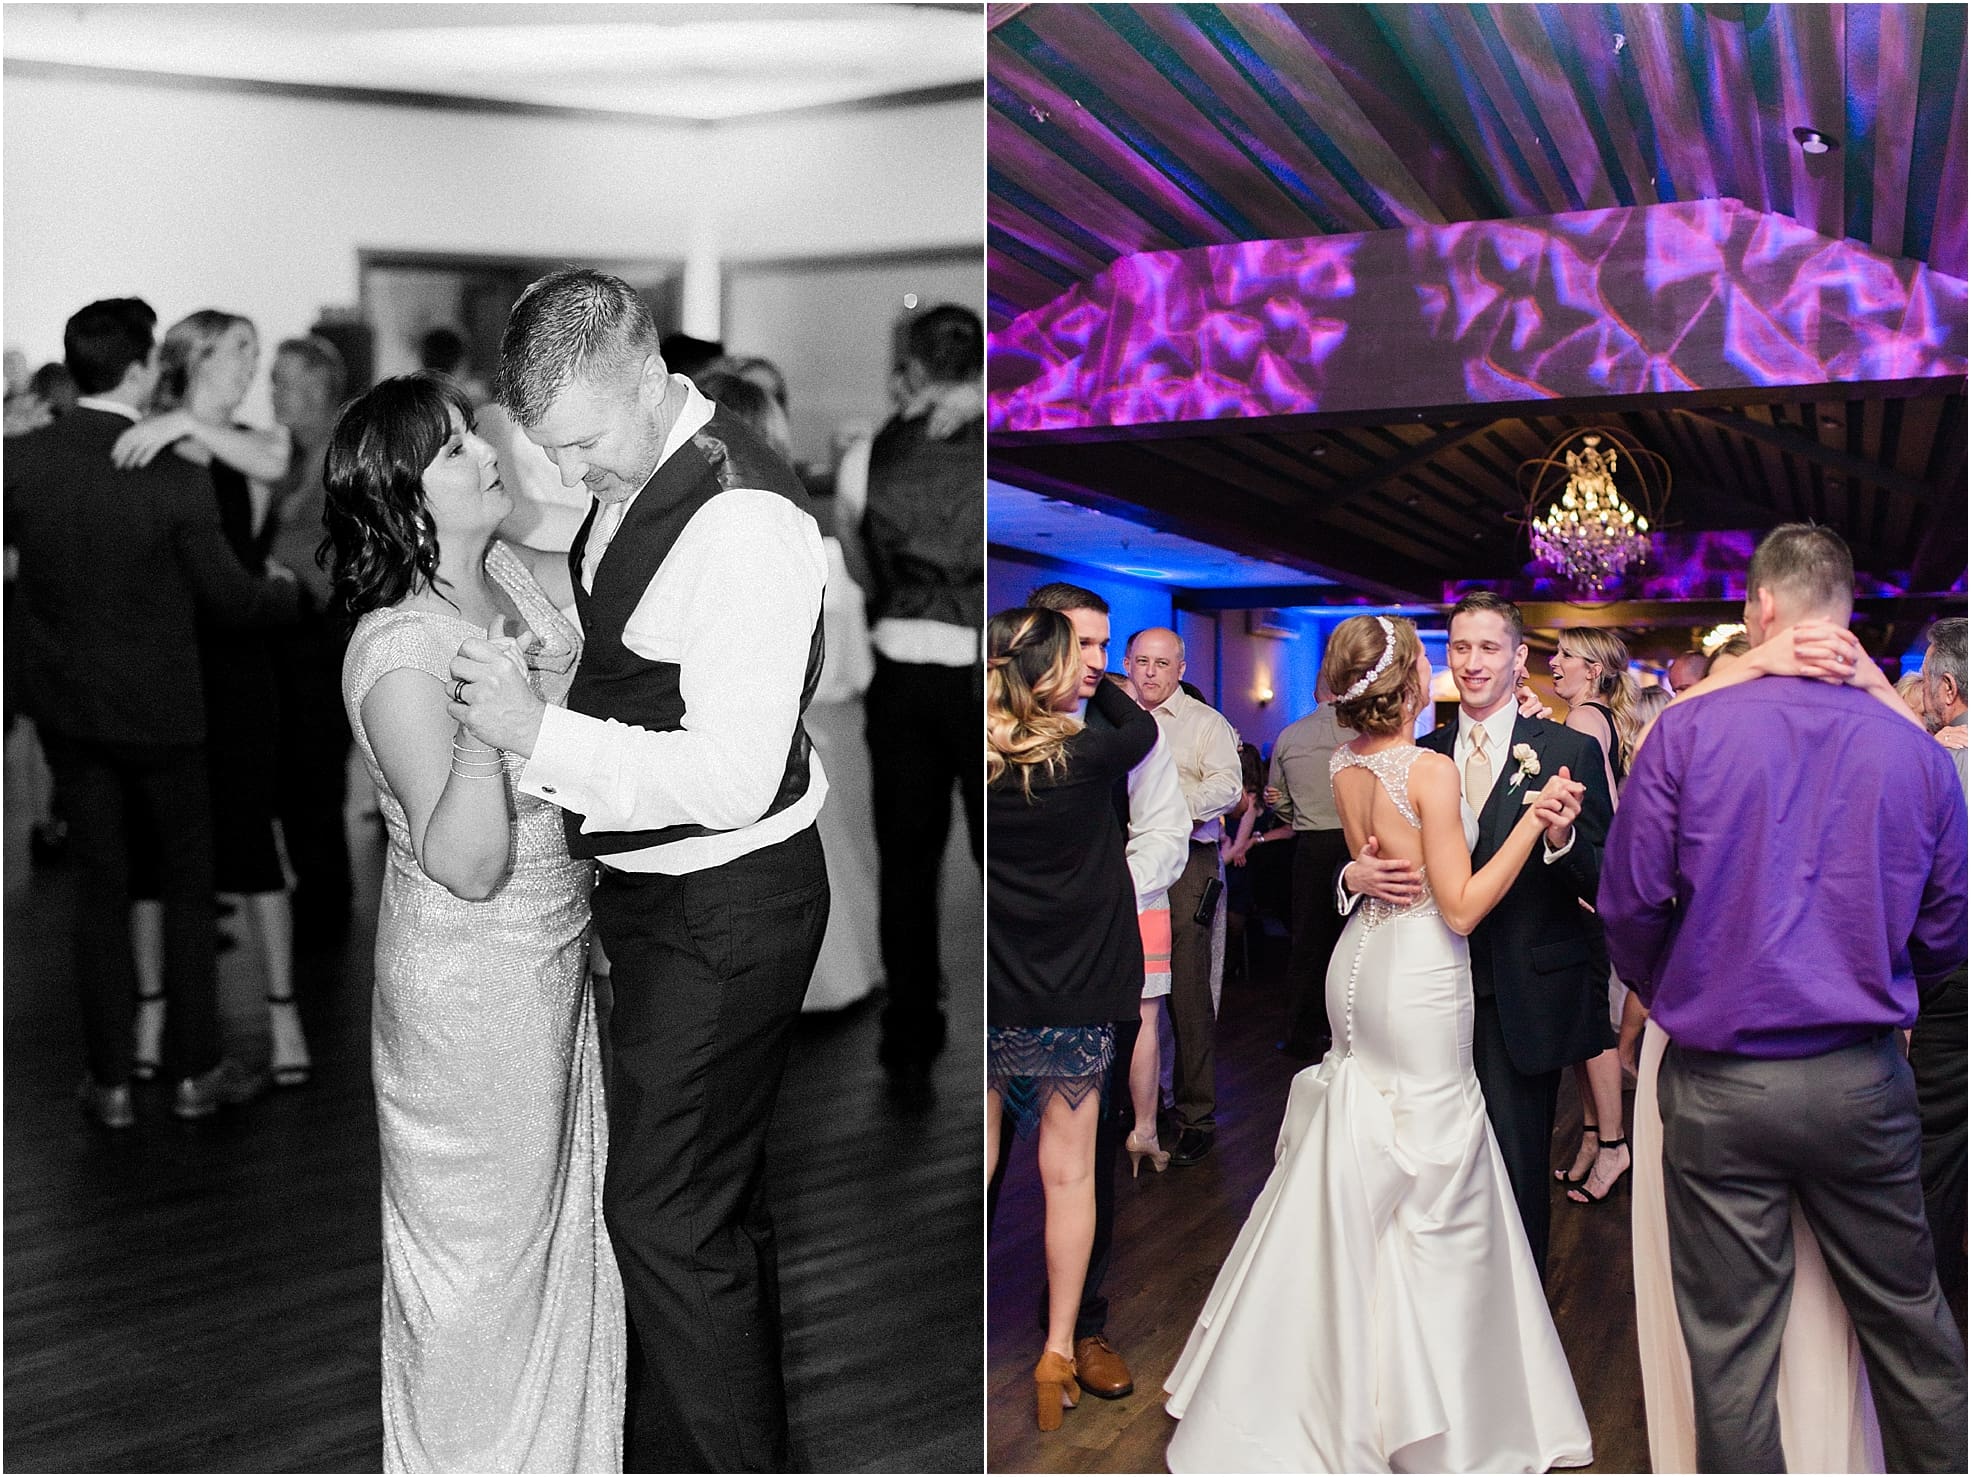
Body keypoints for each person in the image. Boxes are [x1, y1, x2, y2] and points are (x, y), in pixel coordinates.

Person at [449, 269, 829, 1472]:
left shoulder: (743, 518)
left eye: (582, 444)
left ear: (650, 379)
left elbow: (728, 775)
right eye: (545, 451)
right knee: (705, 1213)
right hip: (674, 900)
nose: (567, 478)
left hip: (725, 903)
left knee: (662, 1216)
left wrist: (535, 735)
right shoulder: (645, 469)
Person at [1165, 614, 1593, 1472]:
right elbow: (1463, 906)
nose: (1452, 666)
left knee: (1369, 1145)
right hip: (1420, 973)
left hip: (1360, 961)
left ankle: (1326, 1370)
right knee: (1435, 1161)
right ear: (1404, 686)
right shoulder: (1427, 766)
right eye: (1435, 659)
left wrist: (1354, 875)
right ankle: (1432, 1393)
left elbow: (1368, 857)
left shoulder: (1341, 761)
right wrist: (1529, 819)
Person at [1601, 523, 1967, 1473]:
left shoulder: (1685, 730)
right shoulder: (1919, 754)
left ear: (1759, 608)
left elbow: (1629, 903)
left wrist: (1680, 982)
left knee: (1729, 1356)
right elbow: (1946, 933)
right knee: (1911, 1331)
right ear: (1845, 617)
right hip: (1861, 1080)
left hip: (1720, 1082)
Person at [323, 372, 621, 1471]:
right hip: (468, 983)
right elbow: (465, 859)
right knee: (478, 1262)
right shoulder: (399, 646)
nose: (486, 451)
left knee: (556, 1231)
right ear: (403, 499)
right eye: (453, 449)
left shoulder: (499, 574)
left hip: (552, 952)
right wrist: (496, 729)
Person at [4, 297, 297, 1126]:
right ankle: (198, 1071)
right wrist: (282, 594)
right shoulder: (172, 472)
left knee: (102, 889)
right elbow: (228, 600)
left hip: (69, 712)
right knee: (187, 889)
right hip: (168, 714)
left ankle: (110, 1083)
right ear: (139, 368)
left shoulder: (21, 460)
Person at [1350, 591, 1614, 1275]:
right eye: (1459, 647)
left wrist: (1559, 841)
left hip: (1519, 992)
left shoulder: (1568, 748)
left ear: (1517, 656)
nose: (1470, 662)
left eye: (1488, 647)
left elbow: (1606, 881)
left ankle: (1516, 1332)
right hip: (1425, 990)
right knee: (1427, 1163)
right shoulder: (1417, 752)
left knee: (1516, 1170)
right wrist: (1353, 877)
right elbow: (1368, 856)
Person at [990, 581, 1188, 1405]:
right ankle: (1054, 1348)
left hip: (1017, 975)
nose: (1101, 668)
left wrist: (1106, 886)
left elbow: (1163, 834)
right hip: (1069, 979)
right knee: (1052, 1171)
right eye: (1085, 650)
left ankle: (1080, 1325)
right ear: (1049, 657)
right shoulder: (1098, 742)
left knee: (1080, 1168)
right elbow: (1132, 730)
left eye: (1109, 651)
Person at [115, 310, 310, 1089]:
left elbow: (267, 465)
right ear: (194, 353)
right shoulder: (149, 440)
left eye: (254, 353)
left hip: (238, 666)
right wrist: (167, 429)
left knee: (254, 838)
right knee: (149, 848)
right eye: (237, 349)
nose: (251, 365)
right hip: (164, 661)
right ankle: (153, 1010)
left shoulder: (260, 441)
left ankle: (286, 1017)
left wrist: (175, 427)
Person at [859, 305, 984, 1075]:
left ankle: (911, 1017)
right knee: (996, 848)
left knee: (906, 858)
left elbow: (862, 551)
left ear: (913, 364)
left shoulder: (876, 449)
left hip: (901, 663)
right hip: (979, 668)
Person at [1125, 627, 1241, 1166]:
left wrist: (1164, 806)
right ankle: (1131, 1109)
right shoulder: (1109, 716)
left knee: (1186, 991)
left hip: (1187, 863)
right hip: (1118, 861)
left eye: (1161, 664)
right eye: (1141, 662)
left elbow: (1228, 788)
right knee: (1126, 987)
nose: (1150, 672)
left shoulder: (1205, 723)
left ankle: (1195, 1116)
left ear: (1180, 668)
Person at [266, 333, 356, 947]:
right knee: (297, 782)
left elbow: (343, 552)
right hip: (287, 631)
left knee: (316, 780)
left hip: (324, 630)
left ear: (322, 387)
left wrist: (281, 567)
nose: (276, 393)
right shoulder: (285, 453)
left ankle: (325, 920)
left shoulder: (340, 448)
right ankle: (315, 908)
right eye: (275, 380)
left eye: (289, 382)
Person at [1546, 626, 1640, 1206]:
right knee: (1581, 1025)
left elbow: (1600, 811)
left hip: (1585, 886)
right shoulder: (1596, 718)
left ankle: (1612, 1143)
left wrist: (1587, 872)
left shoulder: (1584, 720)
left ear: (1594, 671)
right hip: (1592, 880)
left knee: (1590, 1027)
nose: (1552, 663)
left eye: (1564, 656)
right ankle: (1590, 1136)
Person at [1916, 615, 1967, 1333]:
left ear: (1948, 689)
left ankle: (1941, 1306)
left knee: (1939, 1144)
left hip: (1946, 977)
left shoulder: (1927, 764)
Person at [1265, 678, 1349, 1057]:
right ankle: (1347, 1032)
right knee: (1351, 940)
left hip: (1311, 844)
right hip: (1355, 844)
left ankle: (1300, 1032)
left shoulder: (1288, 736)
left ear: (1315, 694)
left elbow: (1277, 800)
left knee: (1307, 943)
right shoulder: (1361, 733)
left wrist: (1298, 815)